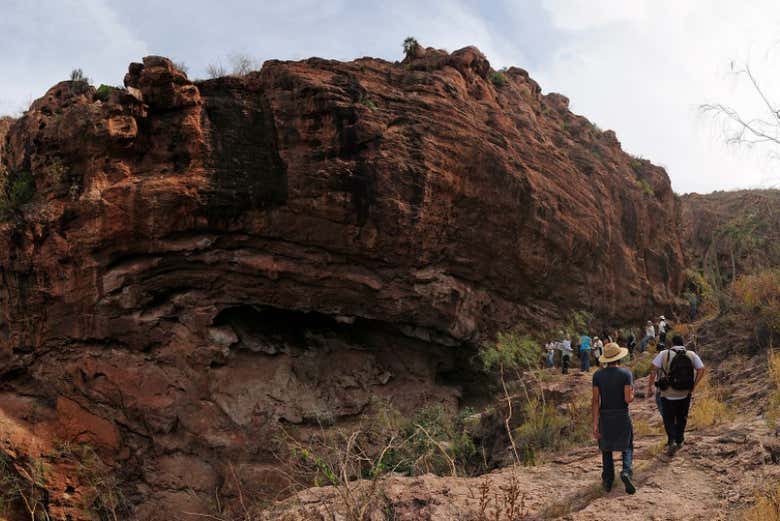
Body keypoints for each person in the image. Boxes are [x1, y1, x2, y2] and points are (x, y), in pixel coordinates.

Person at [646, 335, 705, 455]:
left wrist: (650, 387)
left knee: (668, 418)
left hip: (667, 393)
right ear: (682, 343)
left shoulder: (664, 354)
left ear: (672, 343)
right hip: (685, 392)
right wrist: (694, 385)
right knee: (682, 417)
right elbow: (701, 369)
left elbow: (653, 370)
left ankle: (671, 440)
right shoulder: (691, 354)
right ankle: (680, 440)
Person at [592, 342, 636, 494]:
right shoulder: (626, 374)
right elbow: (627, 399)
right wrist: (633, 393)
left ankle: (608, 481)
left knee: (606, 448)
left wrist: (595, 423)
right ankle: (626, 471)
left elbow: (595, 400)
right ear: (619, 358)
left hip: (605, 415)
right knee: (627, 445)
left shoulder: (597, 375)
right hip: (622, 414)